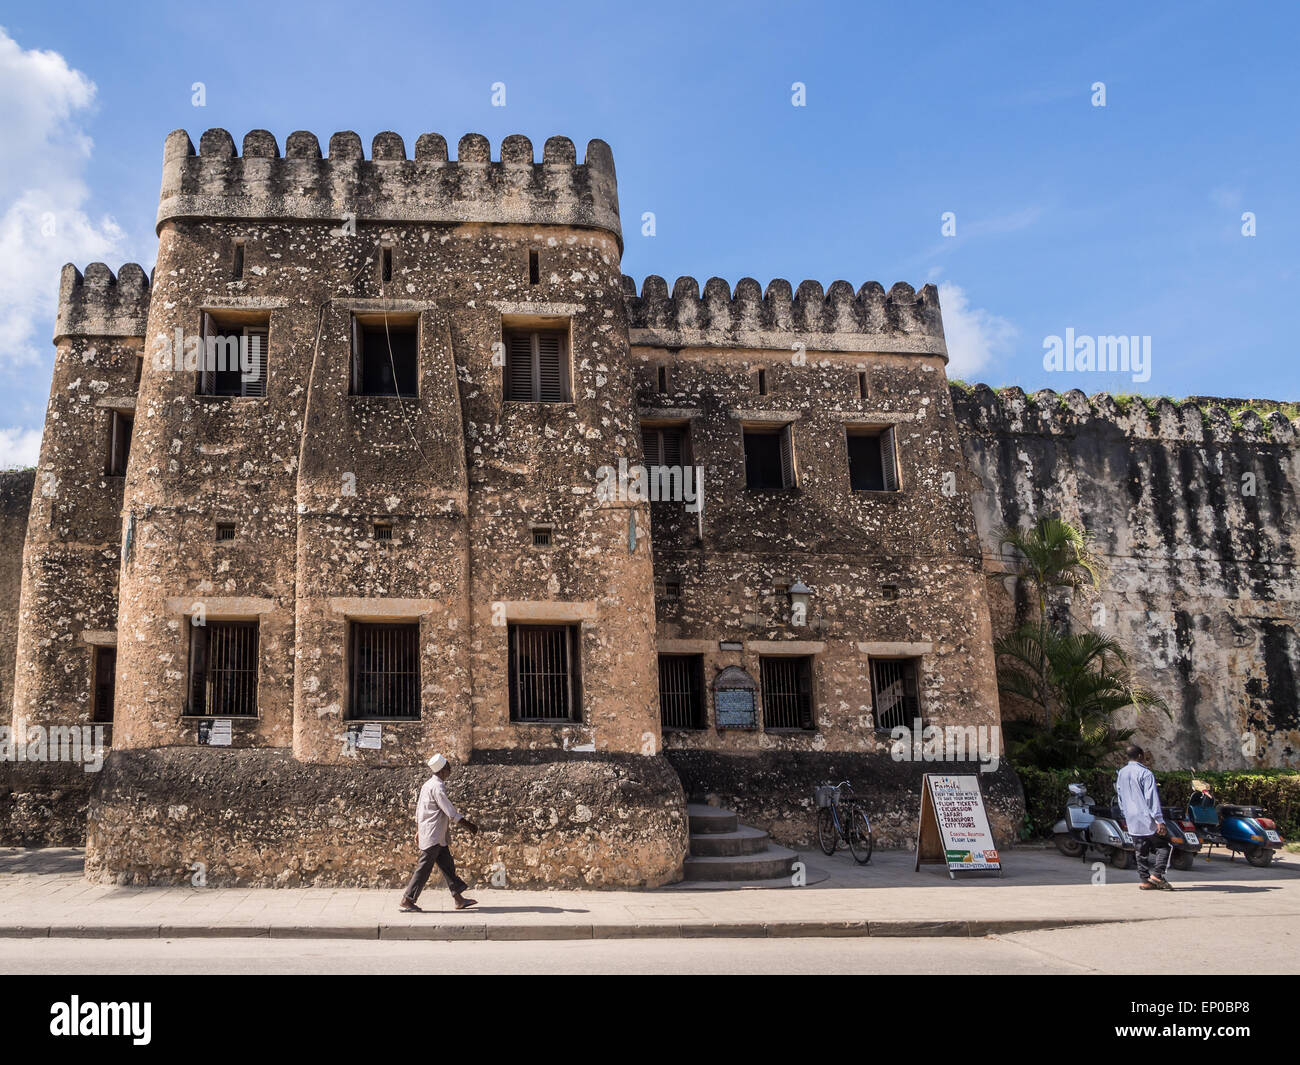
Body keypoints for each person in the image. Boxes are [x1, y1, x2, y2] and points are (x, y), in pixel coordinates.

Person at [399, 753, 479, 912]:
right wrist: (469, 825)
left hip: (435, 834)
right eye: (448, 767)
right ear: (442, 770)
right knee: (424, 868)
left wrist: (418, 830)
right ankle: (407, 900)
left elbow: (420, 811)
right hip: (433, 834)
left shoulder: (427, 785)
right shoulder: (437, 787)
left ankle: (459, 899)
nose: (450, 770)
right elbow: (450, 812)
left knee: (447, 866)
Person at [1115, 744, 1172, 891]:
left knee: (1140, 850)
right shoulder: (1145, 774)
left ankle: (1145, 880)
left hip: (1131, 818)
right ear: (1140, 756)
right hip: (1147, 817)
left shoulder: (1121, 773)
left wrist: (1125, 814)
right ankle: (1157, 875)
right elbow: (1151, 798)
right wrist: (1159, 820)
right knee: (1164, 846)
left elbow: (1120, 796)